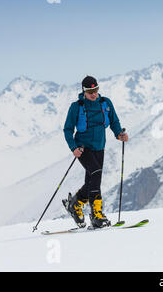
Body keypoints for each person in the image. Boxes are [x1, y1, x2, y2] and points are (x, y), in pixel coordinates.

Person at [63, 76, 129, 228]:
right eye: (90, 91)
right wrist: (73, 147)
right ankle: (96, 213)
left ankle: (76, 203)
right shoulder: (77, 106)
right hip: (83, 148)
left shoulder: (105, 103)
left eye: (95, 90)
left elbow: (114, 121)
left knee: (92, 179)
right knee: (96, 172)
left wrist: (119, 133)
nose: (93, 94)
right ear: (84, 91)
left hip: (100, 146)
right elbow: (67, 129)